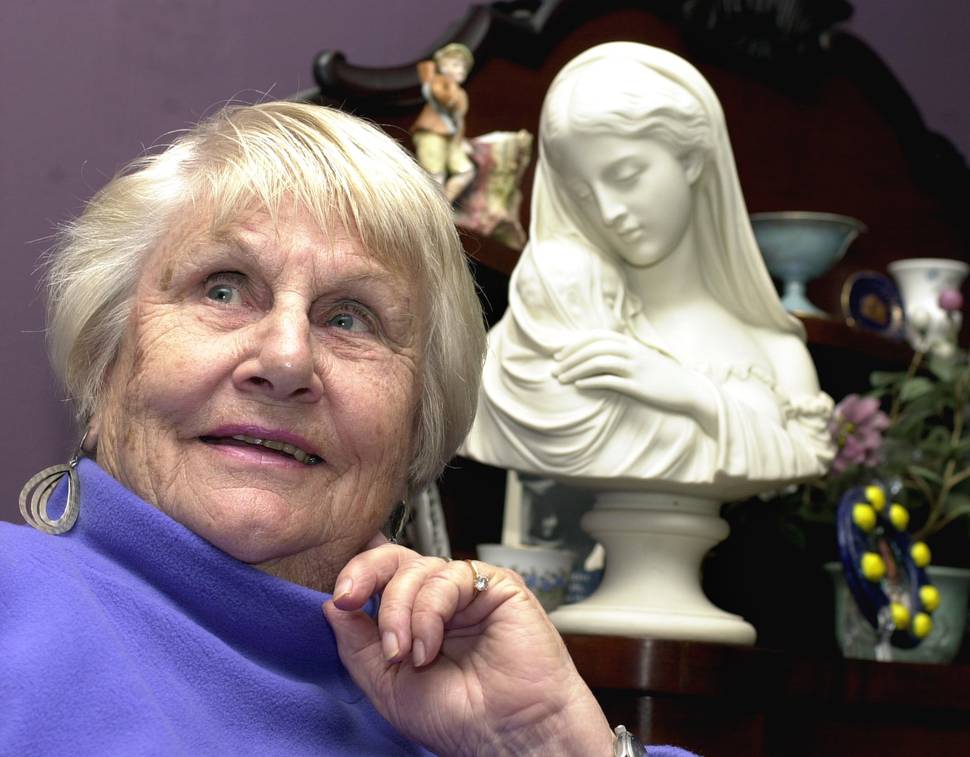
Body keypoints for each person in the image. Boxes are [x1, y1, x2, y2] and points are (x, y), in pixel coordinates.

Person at [0, 101, 695, 756]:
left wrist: (551, 741)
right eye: (223, 288)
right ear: (104, 364)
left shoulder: (467, 700)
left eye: (348, 318)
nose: (286, 360)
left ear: (419, 429)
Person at [462, 42, 834, 501]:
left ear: (691, 159)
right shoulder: (532, 345)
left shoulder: (779, 356)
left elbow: (801, 454)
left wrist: (692, 393)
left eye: (626, 175)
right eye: (583, 193)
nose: (608, 212)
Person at [411, 43, 476, 202]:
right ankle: (433, 208)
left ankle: (444, 205)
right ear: (443, 66)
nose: (461, 70)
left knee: (466, 171)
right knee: (436, 176)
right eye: (456, 65)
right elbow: (444, 99)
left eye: (463, 66)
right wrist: (448, 82)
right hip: (432, 134)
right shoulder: (439, 82)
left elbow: (459, 120)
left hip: (451, 139)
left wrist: (460, 141)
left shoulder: (461, 93)